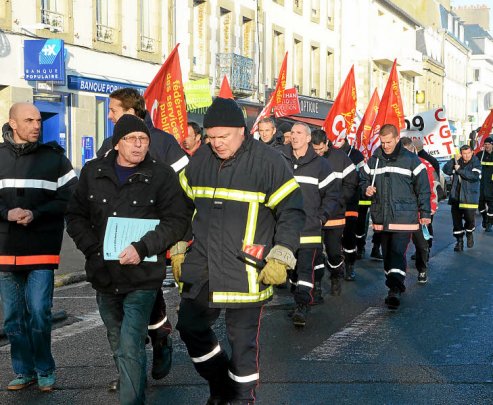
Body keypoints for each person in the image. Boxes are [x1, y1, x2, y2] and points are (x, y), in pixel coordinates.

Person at [173, 97, 305, 404]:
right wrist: (179, 247)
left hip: (247, 269)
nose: (216, 144)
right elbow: (181, 207)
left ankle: (241, 400)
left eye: (223, 137)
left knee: (243, 345)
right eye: (211, 137)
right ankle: (221, 385)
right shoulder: (201, 160)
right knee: (190, 327)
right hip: (203, 265)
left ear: (242, 132)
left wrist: (282, 254)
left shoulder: (268, 162)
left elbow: (292, 210)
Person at [66, 114, 191, 405]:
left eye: (144, 140)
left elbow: (177, 220)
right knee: (116, 338)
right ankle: (133, 378)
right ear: (117, 143)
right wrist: (92, 249)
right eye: (131, 139)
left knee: (130, 342)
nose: (138, 145)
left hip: (143, 275)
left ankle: (131, 396)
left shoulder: (161, 175)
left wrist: (143, 247)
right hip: (103, 273)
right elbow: (75, 215)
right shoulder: (92, 172)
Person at [97, 88, 189, 386]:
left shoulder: (164, 143)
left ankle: (160, 337)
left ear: (130, 111)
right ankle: (128, 374)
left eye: (113, 110)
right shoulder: (107, 147)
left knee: (148, 298)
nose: (109, 116)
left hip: (153, 240)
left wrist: (178, 242)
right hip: (114, 246)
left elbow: (186, 195)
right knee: (118, 315)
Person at [0, 102, 77, 391]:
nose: (36, 125)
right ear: (13, 123)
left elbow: (71, 197)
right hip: (5, 250)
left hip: (42, 247)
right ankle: (23, 370)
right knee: (13, 318)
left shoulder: (54, 158)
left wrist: (37, 213)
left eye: (38, 120)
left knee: (40, 312)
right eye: (29, 120)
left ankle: (45, 368)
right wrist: (6, 213)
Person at [360, 124, 431, 310]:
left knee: (397, 251)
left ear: (397, 138)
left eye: (389, 142)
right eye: (382, 142)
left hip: (404, 217)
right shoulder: (374, 160)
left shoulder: (412, 160)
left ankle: (394, 289)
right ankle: (395, 283)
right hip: (381, 216)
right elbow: (362, 180)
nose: (385, 146)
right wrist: (365, 189)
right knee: (387, 253)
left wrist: (424, 213)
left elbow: (423, 189)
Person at [279, 124, 337, 324]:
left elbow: (332, 194)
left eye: (299, 133)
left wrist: (322, 217)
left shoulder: (321, 165)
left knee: (305, 268)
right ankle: (298, 299)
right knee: (293, 271)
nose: (294, 136)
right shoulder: (280, 160)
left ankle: (302, 306)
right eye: (292, 133)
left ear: (308, 138)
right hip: (285, 228)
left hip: (309, 227)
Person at [311, 130, 358, 293]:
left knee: (333, 252)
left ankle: (336, 275)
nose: (317, 153)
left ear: (326, 143)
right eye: (314, 149)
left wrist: (339, 201)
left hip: (335, 215)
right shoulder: (307, 158)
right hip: (314, 215)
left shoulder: (341, 158)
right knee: (315, 253)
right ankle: (315, 284)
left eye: (319, 149)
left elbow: (351, 183)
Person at [401, 137, 438, 284]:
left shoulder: (425, 165)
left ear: (412, 150)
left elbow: (432, 188)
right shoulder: (395, 164)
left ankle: (422, 269)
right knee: (399, 246)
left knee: (422, 245)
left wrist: (429, 210)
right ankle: (398, 274)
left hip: (418, 213)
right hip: (400, 213)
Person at [443, 145, 481, 251]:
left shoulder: (476, 162)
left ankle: (469, 233)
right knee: (456, 222)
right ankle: (459, 242)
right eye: (464, 153)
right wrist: (453, 159)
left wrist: (459, 170)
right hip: (456, 197)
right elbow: (445, 170)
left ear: (472, 152)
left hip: (470, 197)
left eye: (468, 153)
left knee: (469, 220)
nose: (466, 155)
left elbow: (474, 176)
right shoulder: (457, 161)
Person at [477, 137, 493, 232]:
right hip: (481, 184)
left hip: (491, 185)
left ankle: (489, 222)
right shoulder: (479, 155)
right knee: (480, 204)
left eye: (489, 144)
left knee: (492, 205)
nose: (487, 146)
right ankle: (484, 218)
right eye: (485, 144)